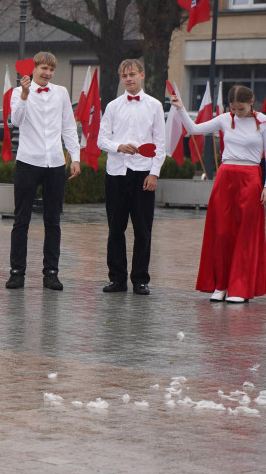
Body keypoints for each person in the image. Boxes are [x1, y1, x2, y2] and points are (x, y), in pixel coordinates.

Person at [170, 85, 266, 303]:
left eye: (240, 109)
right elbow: (194, 129)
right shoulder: (225, 119)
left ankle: (239, 287)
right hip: (225, 177)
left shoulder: (263, 122)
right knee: (221, 232)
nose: (237, 113)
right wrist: (180, 109)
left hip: (251, 177)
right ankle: (220, 285)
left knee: (245, 234)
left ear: (251, 102)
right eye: (233, 108)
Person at [5, 52, 81, 291]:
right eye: (43, 69)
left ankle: (51, 272)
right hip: (28, 160)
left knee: (53, 220)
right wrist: (26, 95)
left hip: (55, 163)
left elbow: (69, 126)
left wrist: (75, 157)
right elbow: (16, 120)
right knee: (21, 220)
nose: (47, 73)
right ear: (33, 69)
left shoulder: (61, 93)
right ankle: (17, 272)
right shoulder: (18, 92)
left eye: (51, 70)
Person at [97, 59, 165, 295]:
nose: (128, 79)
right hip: (116, 173)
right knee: (115, 228)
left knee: (143, 229)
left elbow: (160, 143)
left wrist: (154, 173)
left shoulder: (155, 105)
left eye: (132, 74)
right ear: (120, 78)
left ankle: (140, 279)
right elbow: (101, 139)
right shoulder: (113, 106)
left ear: (142, 75)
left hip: (143, 173)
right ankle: (116, 278)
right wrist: (118, 146)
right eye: (124, 75)